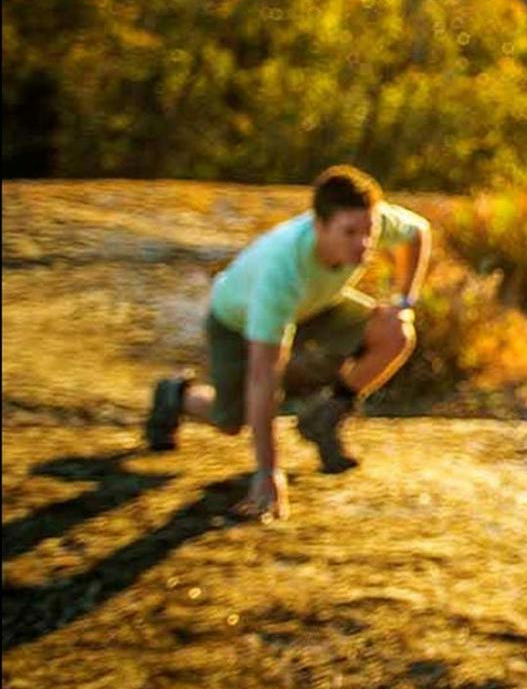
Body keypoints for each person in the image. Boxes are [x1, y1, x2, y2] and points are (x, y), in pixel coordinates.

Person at [145, 164, 431, 520]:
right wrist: (267, 473)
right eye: (350, 233)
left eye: (369, 231)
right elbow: (264, 376)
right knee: (233, 421)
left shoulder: (366, 221)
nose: (364, 243)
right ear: (319, 226)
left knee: (396, 332)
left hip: (319, 305)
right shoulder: (281, 271)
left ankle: (324, 418)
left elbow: (419, 232)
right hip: (237, 321)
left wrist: (405, 300)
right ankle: (177, 396)